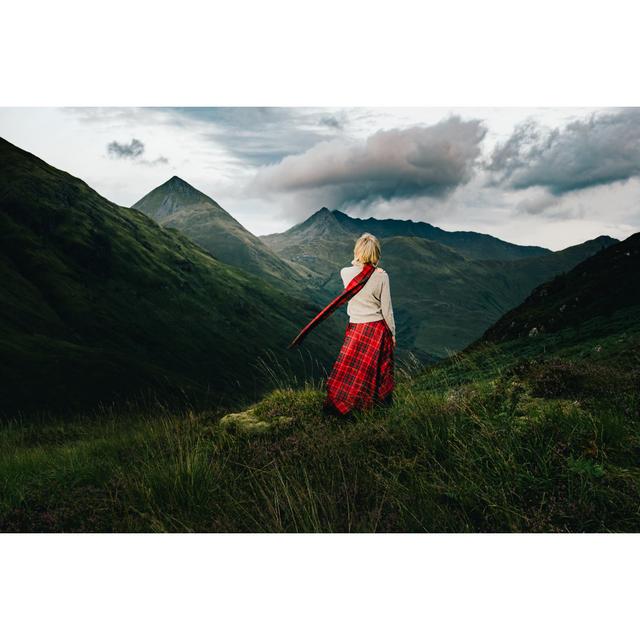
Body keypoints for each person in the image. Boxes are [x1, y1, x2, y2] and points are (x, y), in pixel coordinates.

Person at [323, 233, 396, 416]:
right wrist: (392, 333)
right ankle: (370, 408)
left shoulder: (345, 272)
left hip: (356, 327)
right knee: (370, 372)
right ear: (376, 253)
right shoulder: (382, 277)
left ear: (357, 251)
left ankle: (343, 405)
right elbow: (386, 309)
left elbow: (357, 269)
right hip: (376, 329)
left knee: (349, 370)